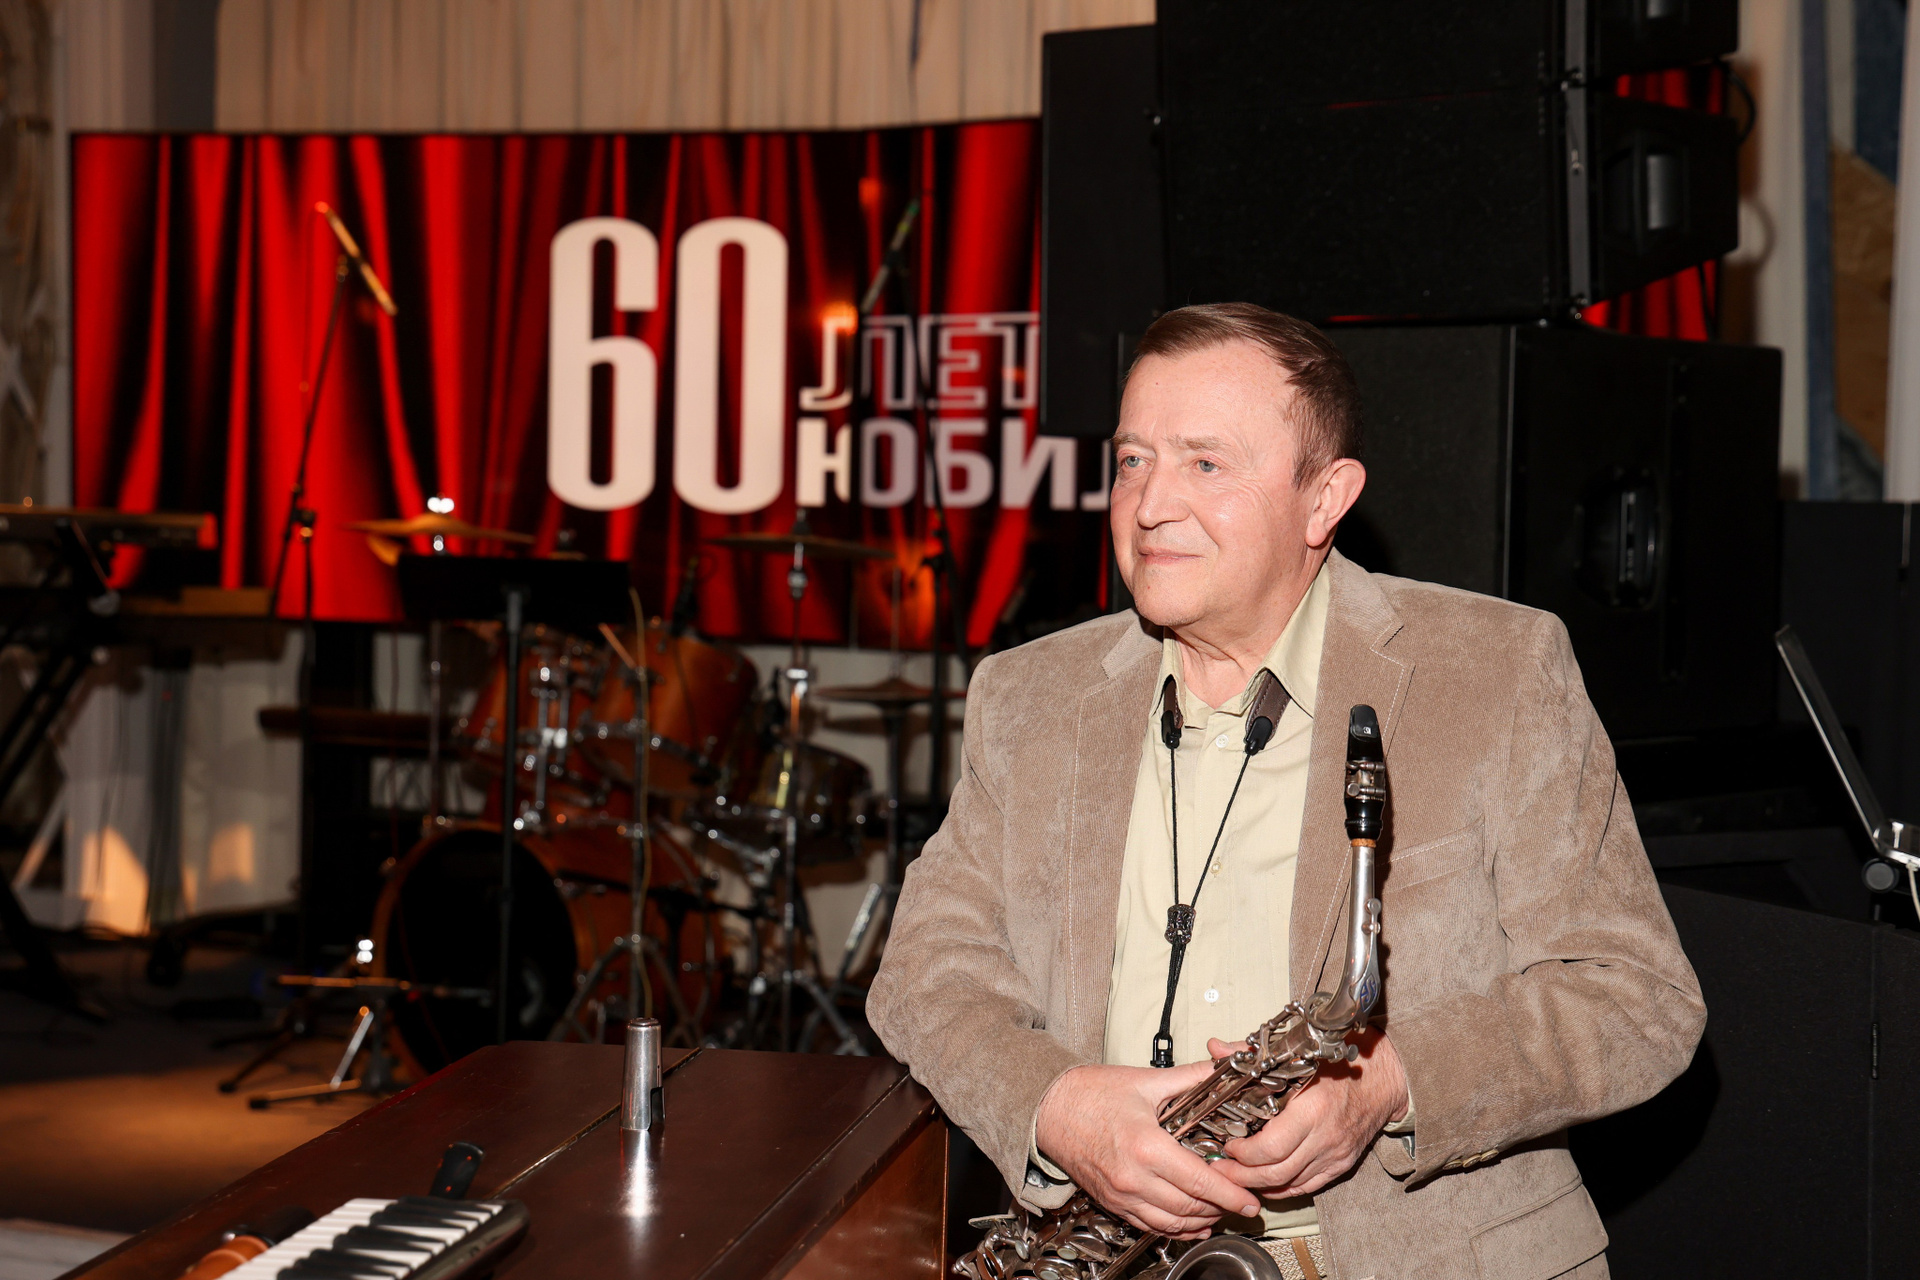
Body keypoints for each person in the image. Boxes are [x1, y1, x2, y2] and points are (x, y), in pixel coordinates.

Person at [867, 303, 1705, 1280]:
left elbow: (1636, 996)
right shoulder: (1028, 696)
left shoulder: (1498, 671)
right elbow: (923, 970)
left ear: (1325, 499)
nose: (1150, 504)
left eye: (1205, 463)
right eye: (1133, 460)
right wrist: (1055, 1105)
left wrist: (1390, 1082)